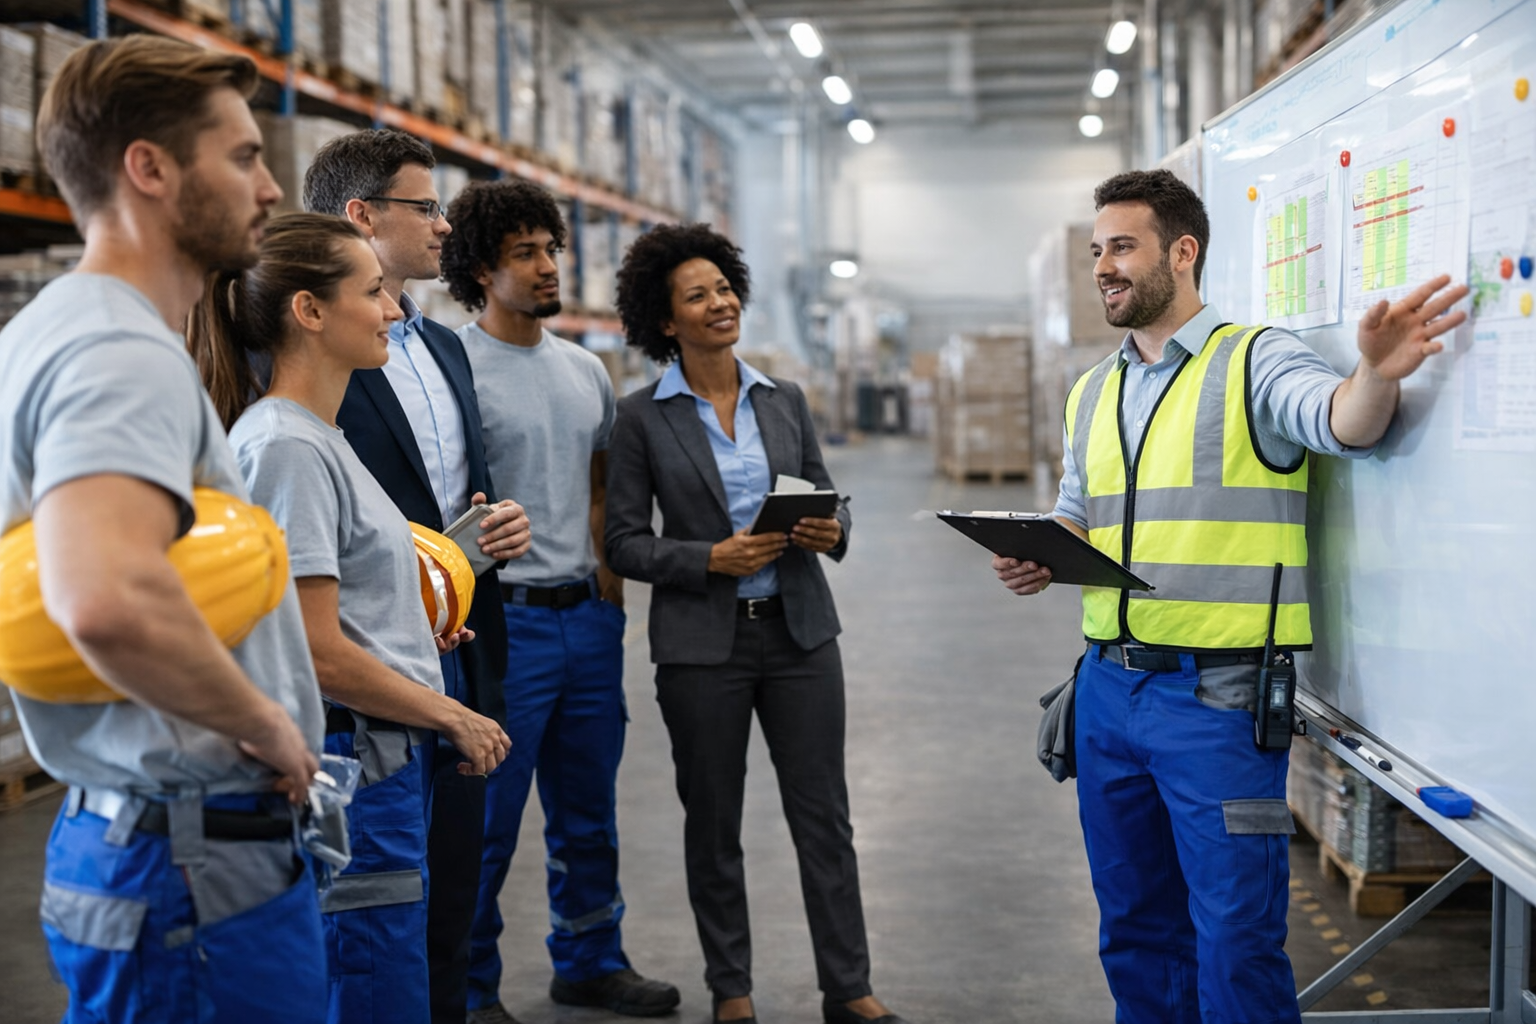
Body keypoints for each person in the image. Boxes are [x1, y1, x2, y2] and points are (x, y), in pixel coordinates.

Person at [992, 169, 1468, 1024]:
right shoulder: (1093, 390)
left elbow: (1338, 421)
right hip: (1105, 690)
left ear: (1183, 252)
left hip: (1216, 700)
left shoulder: (1253, 357)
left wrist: (1377, 374)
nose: (1104, 266)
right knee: (1134, 928)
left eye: (1123, 247)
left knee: (1235, 939)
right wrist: (1042, 556)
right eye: (1098, 250)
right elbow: (1077, 512)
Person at [0, 36, 331, 1022]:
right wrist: (266, 721)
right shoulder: (119, 351)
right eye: (241, 157)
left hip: (149, 841)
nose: (270, 187)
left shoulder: (52, 329)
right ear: (148, 168)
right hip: (191, 861)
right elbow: (104, 596)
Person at [187, 212, 513, 1024]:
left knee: (393, 970)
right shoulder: (288, 447)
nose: (395, 312)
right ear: (309, 311)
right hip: (353, 763)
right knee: (372, 986)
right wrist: (451, 712)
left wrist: (412, 622)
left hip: (381, 759)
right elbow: (314, 649)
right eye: (373, 292)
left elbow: (342, 613)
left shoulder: (320, 438)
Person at [605, 223, 911, 1024]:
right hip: (704, 647)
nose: (720, 302)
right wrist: (712, 558)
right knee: (713, 824)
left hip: (802, 634)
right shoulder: (640, 419)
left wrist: (829, 530)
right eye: (697, 295)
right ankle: (731, 992)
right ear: (665, 321)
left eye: (724, 287)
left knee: (825, 819)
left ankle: (850, 989)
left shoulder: (783, 401)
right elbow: (625, 541)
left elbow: (828, 495)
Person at [302, 128, 532, 1024]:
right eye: (426, 206)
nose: (446, 225)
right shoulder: (313, 360)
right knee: (373, 906)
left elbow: (445, 495)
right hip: (366, 669)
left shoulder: (442, 347)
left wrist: (485, 532)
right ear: (361, 216)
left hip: (462, 641)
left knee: (453, 881)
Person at [438, 180, 680, 1024]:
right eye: (525, 254)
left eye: (552, 249)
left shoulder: (584, 368)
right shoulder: (448, 367)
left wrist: (608, 575)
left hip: (587, 621)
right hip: (505, 626)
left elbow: (602, 475)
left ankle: (589, 960)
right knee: (490, 819)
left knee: (588, 813)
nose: (548, 268)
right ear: (479, 269)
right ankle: (469, 989)